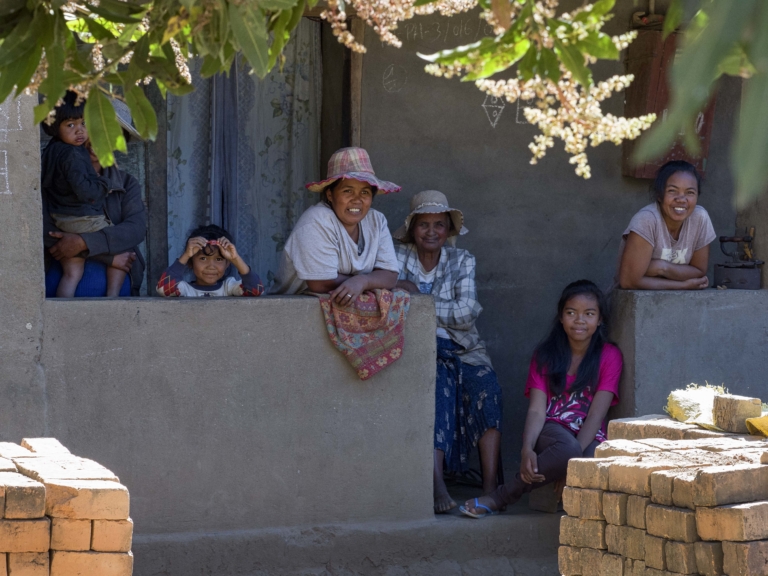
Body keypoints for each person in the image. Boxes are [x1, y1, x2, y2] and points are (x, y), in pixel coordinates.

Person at [460, 280, 622, 518]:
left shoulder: (610, 355)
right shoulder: (545, 355)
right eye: (571, 313)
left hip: (590, 432)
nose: (579, 320)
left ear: (599, 320)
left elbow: (597, 415)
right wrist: (526, 449)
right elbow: (537, 410)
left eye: (589, 314)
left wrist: (571, 465)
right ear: (561, 317)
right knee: (567, 448)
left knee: (593, 460)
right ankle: (500, 497)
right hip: (552, 428)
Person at [392, 190, 502, 514]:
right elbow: (390, 303)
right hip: (420, 348)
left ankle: (490, 489)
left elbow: (467, 313)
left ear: (448, 229)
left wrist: (417, 299)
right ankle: (437, 483)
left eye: (439, 224)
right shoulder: (396, 257)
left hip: (464, 349)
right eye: (423, 224)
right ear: (412, 228)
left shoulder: (463, 259)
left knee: (488, 388)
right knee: (436, 388)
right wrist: (440, 307)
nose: (431, 232)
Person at [42, 95, 147, 297]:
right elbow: (45, 230)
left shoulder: (126, 183)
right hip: (61, 274)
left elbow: (135, 230)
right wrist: (108, 257)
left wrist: (83, 243)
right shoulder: (55, 177)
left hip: (117, 282)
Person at [270, 147, 401, 300]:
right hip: (293, 309)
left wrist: (363, 282)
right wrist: (371, 282)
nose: (357, 199)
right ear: (330, 195)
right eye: (348, 191)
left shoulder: (376, 221)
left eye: (365, 192)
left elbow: (390, 276)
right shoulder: (316, 221)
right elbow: (321, 283)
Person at [617, 160, 716, 290]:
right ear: (659, 195)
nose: (681, 199)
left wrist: (661, 267)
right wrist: (683, 285)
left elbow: (699, 271)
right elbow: (629, 281)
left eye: (690, 192)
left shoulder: (700, 218)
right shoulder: (647, 220)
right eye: (672, 191)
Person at [156, 224, 264, 297]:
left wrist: (235, 258)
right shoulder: (185, 289)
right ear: (190, 262)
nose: (211, 266)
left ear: (227, 264)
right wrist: (186, 255)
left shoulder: (229, 287)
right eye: (203, 258)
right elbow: (163, 289)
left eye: (219, 259)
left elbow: (256, 290)